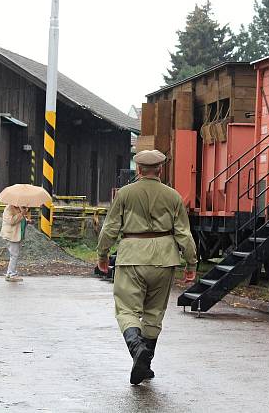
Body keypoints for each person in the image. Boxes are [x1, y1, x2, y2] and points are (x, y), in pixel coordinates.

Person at [97, 149, 198, 385]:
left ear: (139, 169)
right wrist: (191, 262)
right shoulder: (173, 196)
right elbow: (184, 233)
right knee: (154, 313)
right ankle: (145, 364)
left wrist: (103, 254)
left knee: (127, 310)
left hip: (132, 255)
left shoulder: (124, 194)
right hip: (164, 258)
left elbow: (110, 228)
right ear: (160, 169)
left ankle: (137, 350)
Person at [1, 205, 31, 282]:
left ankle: (10, 273)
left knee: (14, 254)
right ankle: (11, 274)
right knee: (14, 254)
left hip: (18, 235)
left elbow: (19, 220)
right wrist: (22, 214)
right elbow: (11, 221)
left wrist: (26, 220)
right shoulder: (9, 208)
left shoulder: (18, 208)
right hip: (12, 235)